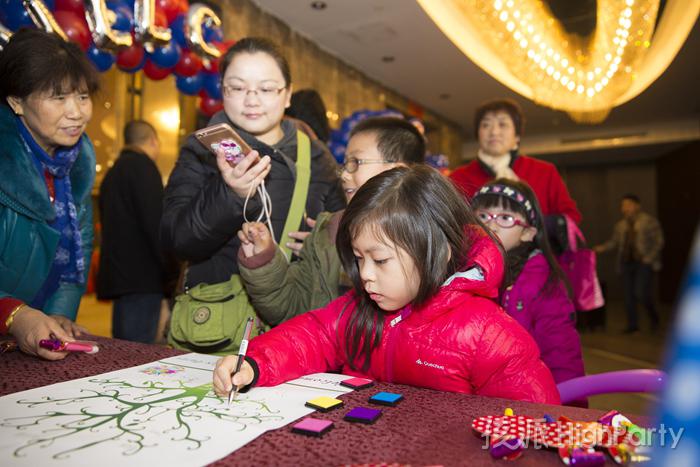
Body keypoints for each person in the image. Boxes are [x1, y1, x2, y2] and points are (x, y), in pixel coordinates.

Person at [214, 166, 561, 404]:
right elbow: (312, 335)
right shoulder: (358, 308)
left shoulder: (488, 334)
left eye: (380, 260)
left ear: (436, 253)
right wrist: (255, 362)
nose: (365, 274)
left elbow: (532, 421)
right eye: (359, 258)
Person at [161, 37, 345, 290]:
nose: (251, 100)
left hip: (296, 315)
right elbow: (178, 241)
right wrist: (230, 194)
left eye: (267, 89)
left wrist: (326, 245)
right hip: (220, 316)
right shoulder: (200, 149)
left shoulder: (317, 156)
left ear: (288, 94)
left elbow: (343, 233)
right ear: (223, 91)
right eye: (237, 88)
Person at [237, 117, 425, 325]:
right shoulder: (328, 232)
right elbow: (293, 308)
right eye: (345, 164)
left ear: (395, 170)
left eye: (356, 163)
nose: (344, 174)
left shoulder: (427, 238)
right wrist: (264, 261)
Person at [0, 29, 99, 359]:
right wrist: (14, 314)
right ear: (17, 101)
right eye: (58, 98)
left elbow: (77, 253)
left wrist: (60, 315)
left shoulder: (78, 165)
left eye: (82, 97)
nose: (76, 112)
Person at [471, 179, 585, 385]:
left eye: (505, 218)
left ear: (527, 233)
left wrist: (568, 410)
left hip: (526, 397)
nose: (490, 224)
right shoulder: (460, 271)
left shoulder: (542, 283)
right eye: (483, 216)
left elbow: (561, 353)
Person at [97, 120, 174, 343]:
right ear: (153, 141)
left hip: (120, 277)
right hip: (143, 278)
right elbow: (155, 225)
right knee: (138, 349)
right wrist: (170, 272)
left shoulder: (113, 173)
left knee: (122, 345)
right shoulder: (144, 168)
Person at [449, 99, 581, 224]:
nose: (494, 132)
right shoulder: (457, 178)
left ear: (517, 137)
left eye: (503, 124)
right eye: (486, 125)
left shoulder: (545, 172)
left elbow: (572, 217)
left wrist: (537, 225)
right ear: (478, 134)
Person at [594, 194, 664, 333]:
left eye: (628, 205)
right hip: (626, 263)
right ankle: (633, 325)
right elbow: (614, 242)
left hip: (643, 263)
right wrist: (602, 248)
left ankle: (654, 318)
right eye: (623, 206)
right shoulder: (621, 225)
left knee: (641, 293)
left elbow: (659, 241)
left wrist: (649, 257)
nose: (625, 208)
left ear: (637, 206)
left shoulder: (649, 221)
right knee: (628, 296)